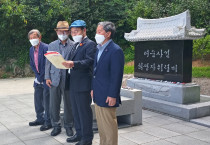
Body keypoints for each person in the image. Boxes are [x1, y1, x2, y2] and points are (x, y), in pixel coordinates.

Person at [62, 20, 97, 145]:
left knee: (84, 112)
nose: (74, 34)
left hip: (83, 84)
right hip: (73, 83)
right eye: (72, 32)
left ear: (84, 31)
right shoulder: (75, 45)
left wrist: (73, 64)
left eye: (76, 31)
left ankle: (87, 139)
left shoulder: (90, 44)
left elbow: (89, 61)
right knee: (76, 111)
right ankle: (79, 133)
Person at [91, 21, 125, 145]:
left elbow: (116, 75)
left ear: (108, 34)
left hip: (108, 95)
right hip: (98, 93)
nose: (96, 34)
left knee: (109, 127)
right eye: (97, 31)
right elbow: (95, 72)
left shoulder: (115, 51)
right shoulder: (98, 48)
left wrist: (113, 95)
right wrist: (92, 88)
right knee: (102, 128)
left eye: (99, 31)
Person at [45, 21, 74, 136]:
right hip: (54, 78)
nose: (62, 33)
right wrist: (47, 77)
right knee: (54, 104)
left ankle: (68, 126)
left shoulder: (74, 45)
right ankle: (56, 126)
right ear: (56, 31)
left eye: (65, 31)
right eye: (60, 30)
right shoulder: (51, 45)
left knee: (68, 104)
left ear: (69, 32)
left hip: (68, 78)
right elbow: (48, 62)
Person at [28, 29, 52, 131]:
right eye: (31, 38)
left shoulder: (46, 47)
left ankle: (48, 121)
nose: (33, 40)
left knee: (46, 101)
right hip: (38, 79)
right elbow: (32, 63)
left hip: (46, 79)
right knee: (37, 100)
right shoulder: (31, 49)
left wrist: (42, 76)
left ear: (39, 37)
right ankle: (39, 118)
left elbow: (47, 65)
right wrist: (37, 76)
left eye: (34, 37)